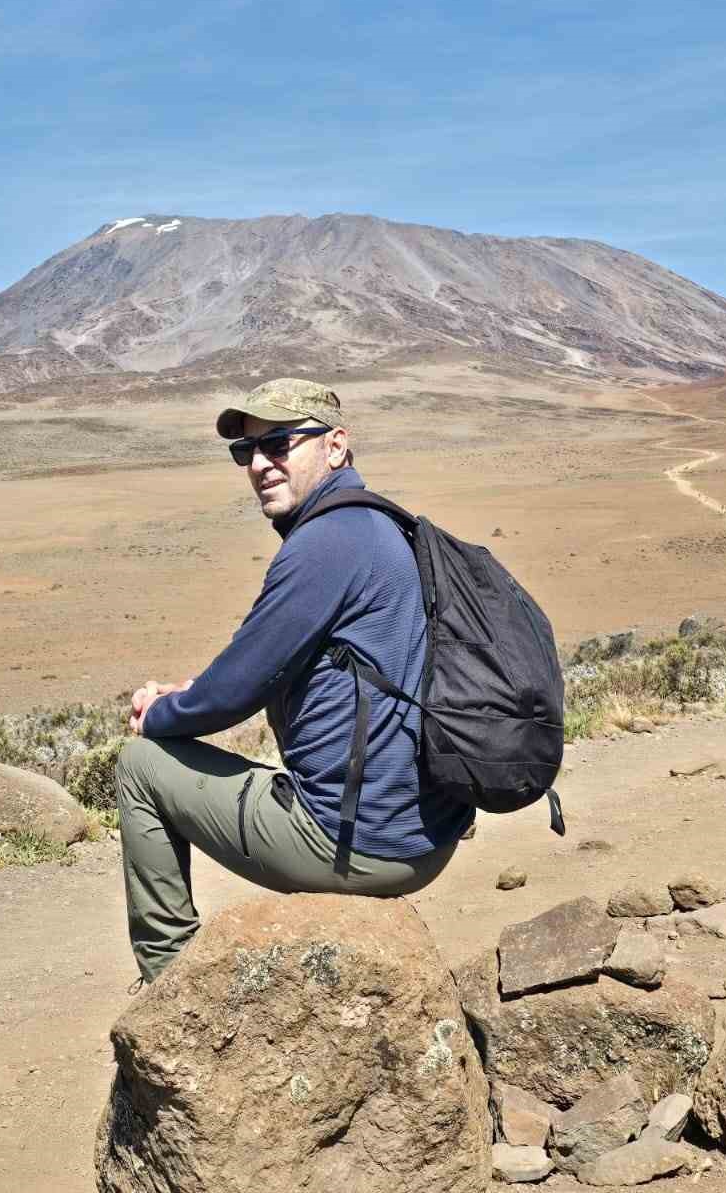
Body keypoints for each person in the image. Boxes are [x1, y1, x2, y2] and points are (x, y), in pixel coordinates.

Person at [115, 377, 473, 984]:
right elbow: (263, 664)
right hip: (423, 832)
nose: (259, 464)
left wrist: (159, 715)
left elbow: (236, 690)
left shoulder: (327, 542)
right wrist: (190, 694)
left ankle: (167, 979)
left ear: (336, 447)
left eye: (279, 443)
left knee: (140, 765)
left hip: (357, 843)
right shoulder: (379, 524)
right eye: (244, 452)